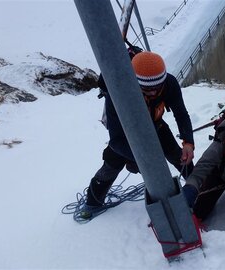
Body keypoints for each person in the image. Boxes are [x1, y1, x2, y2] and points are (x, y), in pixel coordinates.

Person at [80, 51, 195, 220]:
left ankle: (199, 188)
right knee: (110, 167)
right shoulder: (118, 93)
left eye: (158, 88)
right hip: (126, 135)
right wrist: (143, 158)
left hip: (156, 126)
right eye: (148, 90)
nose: (154, 93)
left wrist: (188, 142)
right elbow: (116, 140)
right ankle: (92, 203)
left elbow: (181, 113)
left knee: (179, 157)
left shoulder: (169, 83)